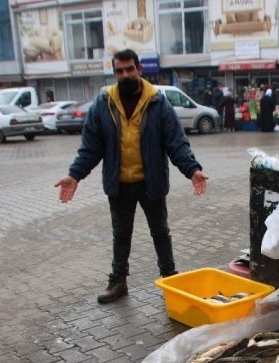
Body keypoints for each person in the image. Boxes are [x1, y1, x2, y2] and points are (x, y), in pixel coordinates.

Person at [54, 49, 209, 304]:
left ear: (139, 69)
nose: (125, 75)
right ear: (115, 72)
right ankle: (118, 282)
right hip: (119, 184)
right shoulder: (103, 104)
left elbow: (176, 142)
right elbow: (91, 147)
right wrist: (75, 175)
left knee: (160, 232)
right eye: (119, 71)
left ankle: (170, 280)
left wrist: (192, 169)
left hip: (152, 183)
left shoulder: (158, 102)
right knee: (121, 235)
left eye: (129, 69)